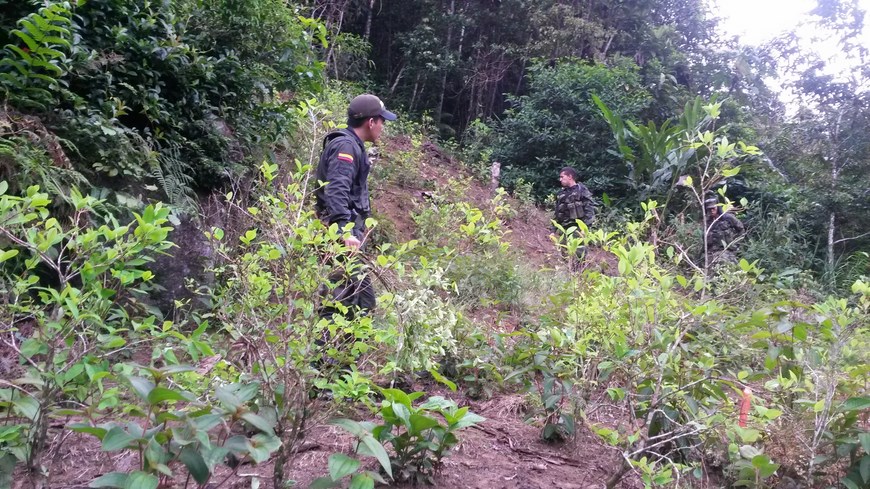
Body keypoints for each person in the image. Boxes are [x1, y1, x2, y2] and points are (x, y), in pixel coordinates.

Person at [315, 94, 396, 322]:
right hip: (342, 236)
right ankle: (324, 346)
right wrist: (344, 230)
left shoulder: (351, 145)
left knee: (361, 302)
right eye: (382, 121)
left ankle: (345, 345)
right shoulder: (346, 147)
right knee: (343, 302)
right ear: (371, 122)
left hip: (347, 234)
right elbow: (336, 189)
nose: (382, 127)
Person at [704, 196, 745, 265]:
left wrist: (736, 244)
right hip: (712, 252)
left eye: (713, 208)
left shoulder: (728, 218)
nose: (711, 211)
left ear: (717, 207)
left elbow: (741, 229)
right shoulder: (707, 223)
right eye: (709, 209)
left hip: (727, 251)